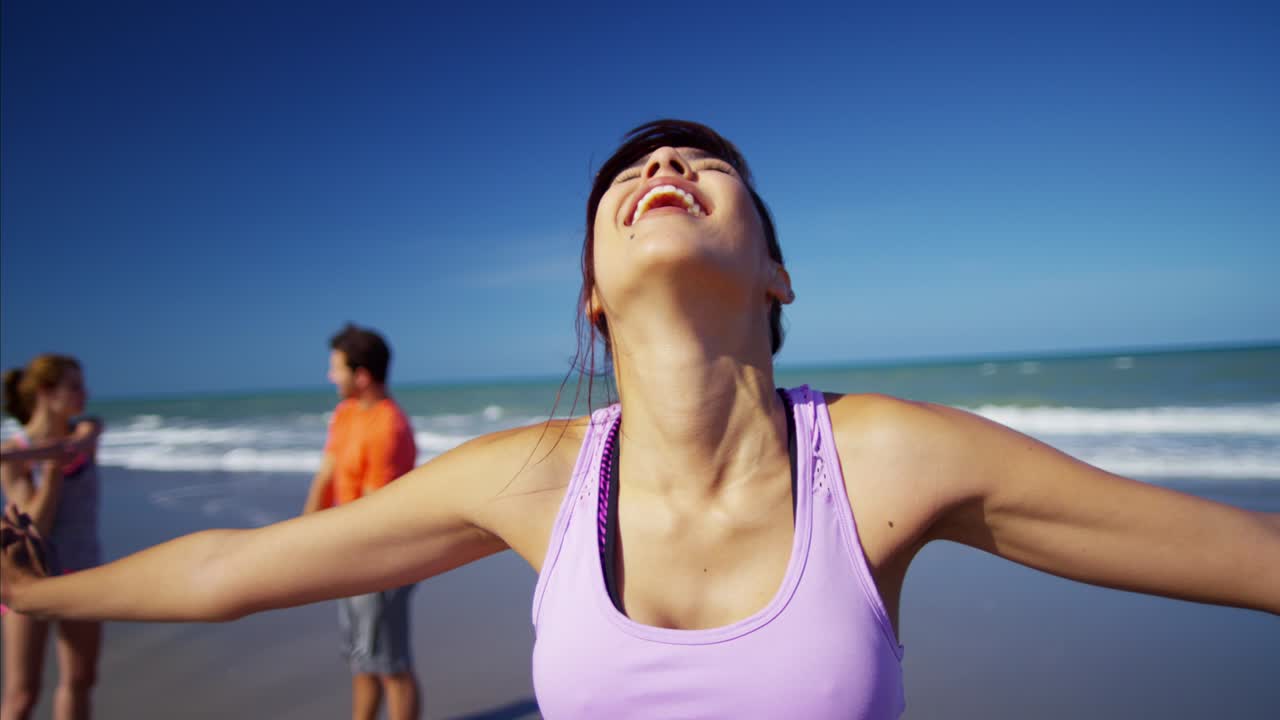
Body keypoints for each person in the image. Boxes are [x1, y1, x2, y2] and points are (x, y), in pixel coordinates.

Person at [2, 121, 1278, 719]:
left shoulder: (882, 456)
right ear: (590, 296)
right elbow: (233, 570)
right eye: (630, 175)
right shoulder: (534, 478)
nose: (663, 171)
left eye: (702, 165)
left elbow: (1238, 556)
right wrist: (34, 597)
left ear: (777, 275)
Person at [301, 324, 421, 720]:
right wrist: (300, 540)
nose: (330, 376)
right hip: (346, 554)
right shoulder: (346, 412)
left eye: (336, 368)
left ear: (362, 375)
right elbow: (326, 475)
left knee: (391, 667)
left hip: (380, 561)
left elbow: (373, 517)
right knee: (360, 661)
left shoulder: (389, 427)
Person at [1, 354, 105, 720]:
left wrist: (53, 454)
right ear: (46, 391)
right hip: (30, 576)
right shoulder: (13, 453)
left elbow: (80, 444)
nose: (84, 394)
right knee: (22, 694)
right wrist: (51, 470)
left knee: (80, 679)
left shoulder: (86, 429)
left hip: (83, 572)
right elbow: (37, 525)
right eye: (74, 386)